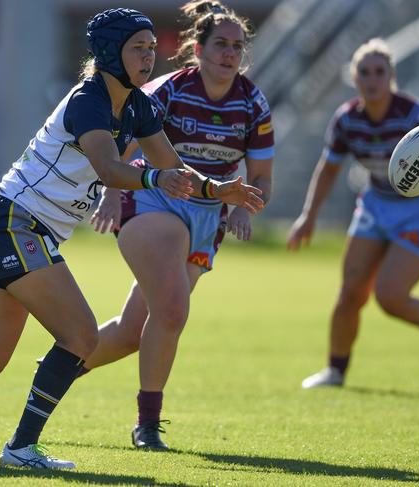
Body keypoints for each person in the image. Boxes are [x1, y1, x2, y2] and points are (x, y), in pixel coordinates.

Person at [0, 8, 262, 470]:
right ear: (109, 53)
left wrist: (218, 189)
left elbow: (172, 165)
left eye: (151, 48)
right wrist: (157, 180)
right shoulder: (89, 100)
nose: (148, 56)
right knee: (80, 334)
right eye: (138, 48)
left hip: (17, 226)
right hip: (13, 221)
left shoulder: (138, 105)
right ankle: (21, 449)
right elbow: (110, 170)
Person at [80, 0, 274, 449]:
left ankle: (58, 369)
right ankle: (148, 425)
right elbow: (121, 147)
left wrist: (246, 206)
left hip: (210, 214)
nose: (229, 53)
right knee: (171, 310)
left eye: (237, 46)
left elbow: (263, 175)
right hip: (153, 198)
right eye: (220, 44)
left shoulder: (253, 103)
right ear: (197, 48)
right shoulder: (166, 90)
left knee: (134, 330)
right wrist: (111, 191)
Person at [287, 38, 419, 389]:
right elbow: (328, 169)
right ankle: (336, 371)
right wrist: (308, 216)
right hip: (375, 204)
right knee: (350, 292)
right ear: (354, 78)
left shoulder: (417, 117)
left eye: (379, 71)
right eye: (364, 72)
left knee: (389, 295)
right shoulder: (346, 120)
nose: (372, 79)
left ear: (391, 76)